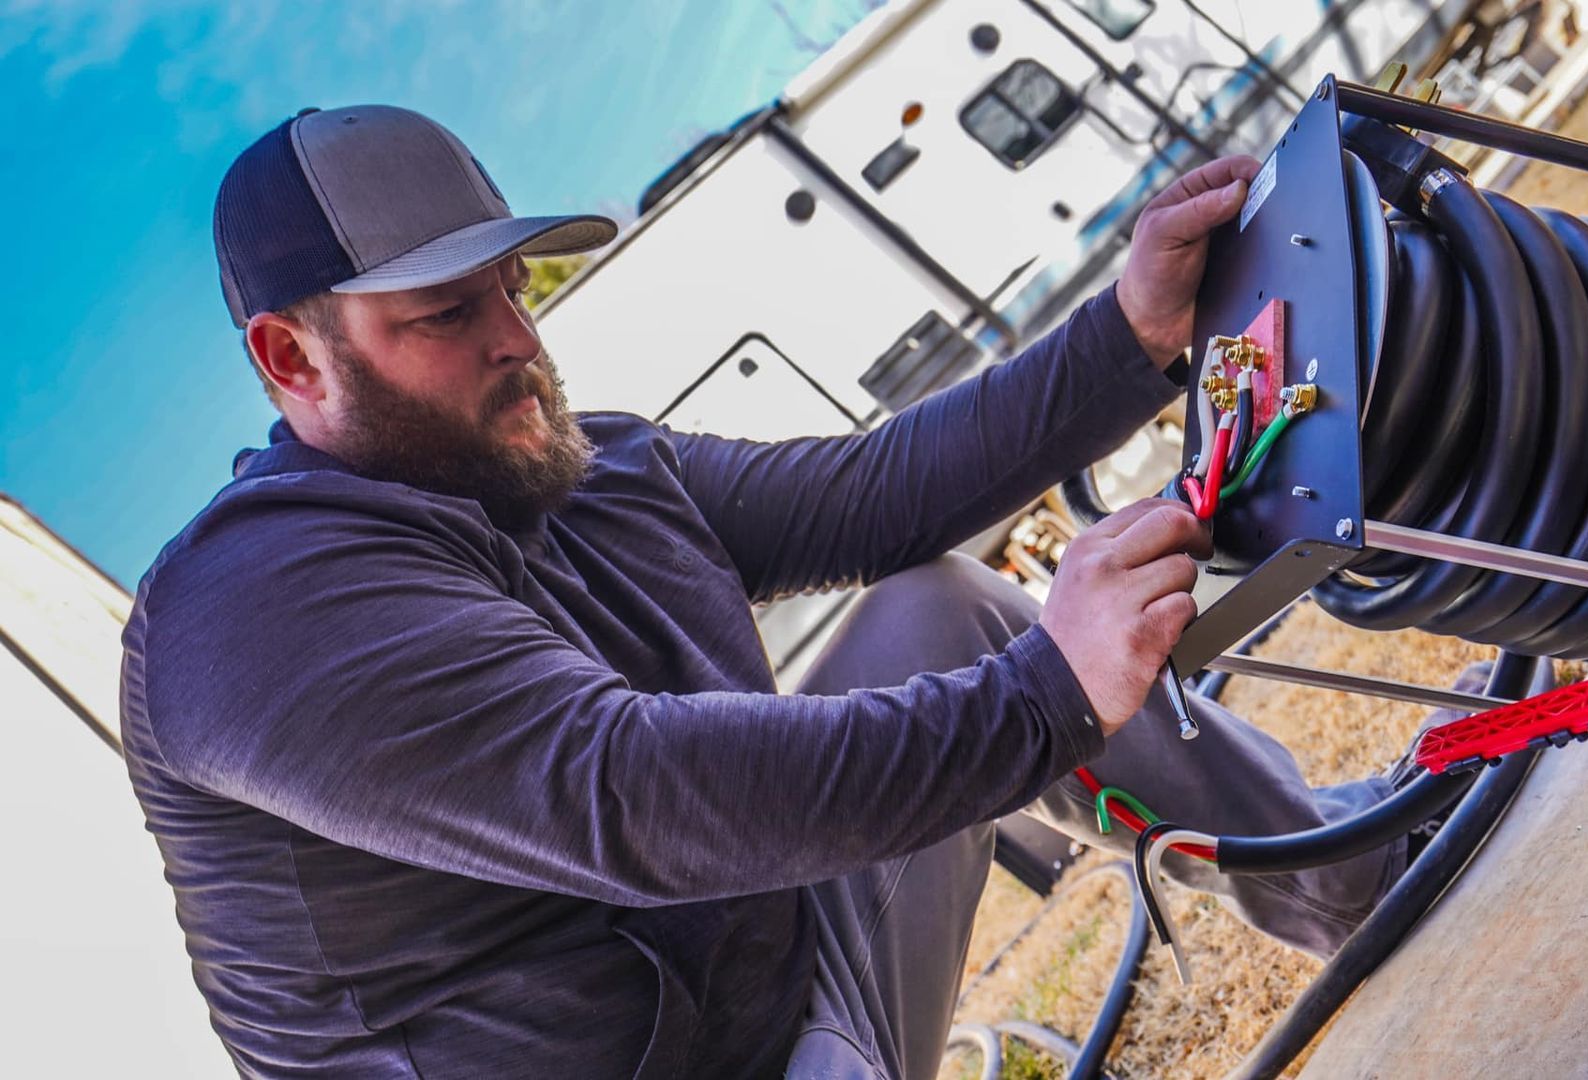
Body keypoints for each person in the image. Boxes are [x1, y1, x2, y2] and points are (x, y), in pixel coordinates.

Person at [121, 105, 1411, 1079]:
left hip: (778, 992)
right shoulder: (245, 617)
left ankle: (1360, 874)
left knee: (939, 604)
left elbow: (877, 493)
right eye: (448, 313)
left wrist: (1130, 331)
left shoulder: (583, 469)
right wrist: (1049, 695)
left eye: (514, 287)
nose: (519, 337)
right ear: (293, 357)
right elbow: (624, 793)